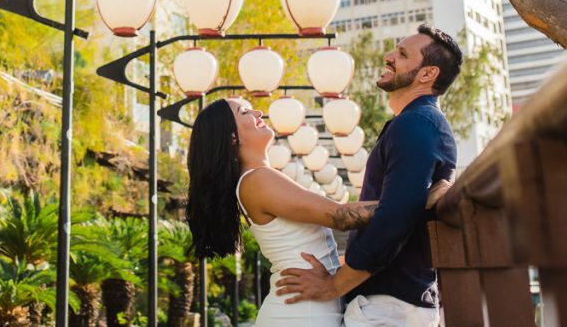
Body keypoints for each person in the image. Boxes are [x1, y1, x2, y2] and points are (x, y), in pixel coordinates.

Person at [275, 24, 462, 327]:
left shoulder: (418, 124)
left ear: (427, 74)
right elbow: (403, 209)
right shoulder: (414, 123)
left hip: (390, 310)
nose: (389, 56)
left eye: (402, 54)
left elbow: (394, 219)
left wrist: (334, 285)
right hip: (390, 306)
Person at [187, 96, 381, 326]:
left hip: (305, 308)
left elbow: (313, 249)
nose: (258, 113)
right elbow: (341, 217)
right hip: (299, 313)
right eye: (245, 112)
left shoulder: (257, 179)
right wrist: (413, 200)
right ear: (232, 137)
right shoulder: (257, 180)